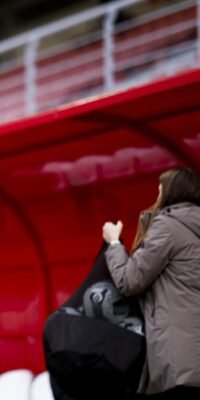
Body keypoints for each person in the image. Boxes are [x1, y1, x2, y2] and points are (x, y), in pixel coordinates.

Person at [102, 168, 200, 399]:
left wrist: (114, 244)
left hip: (179, 362)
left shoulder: (168, 227)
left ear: (170, 193)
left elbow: (129, 281)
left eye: (159, 191)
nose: (157, 197)